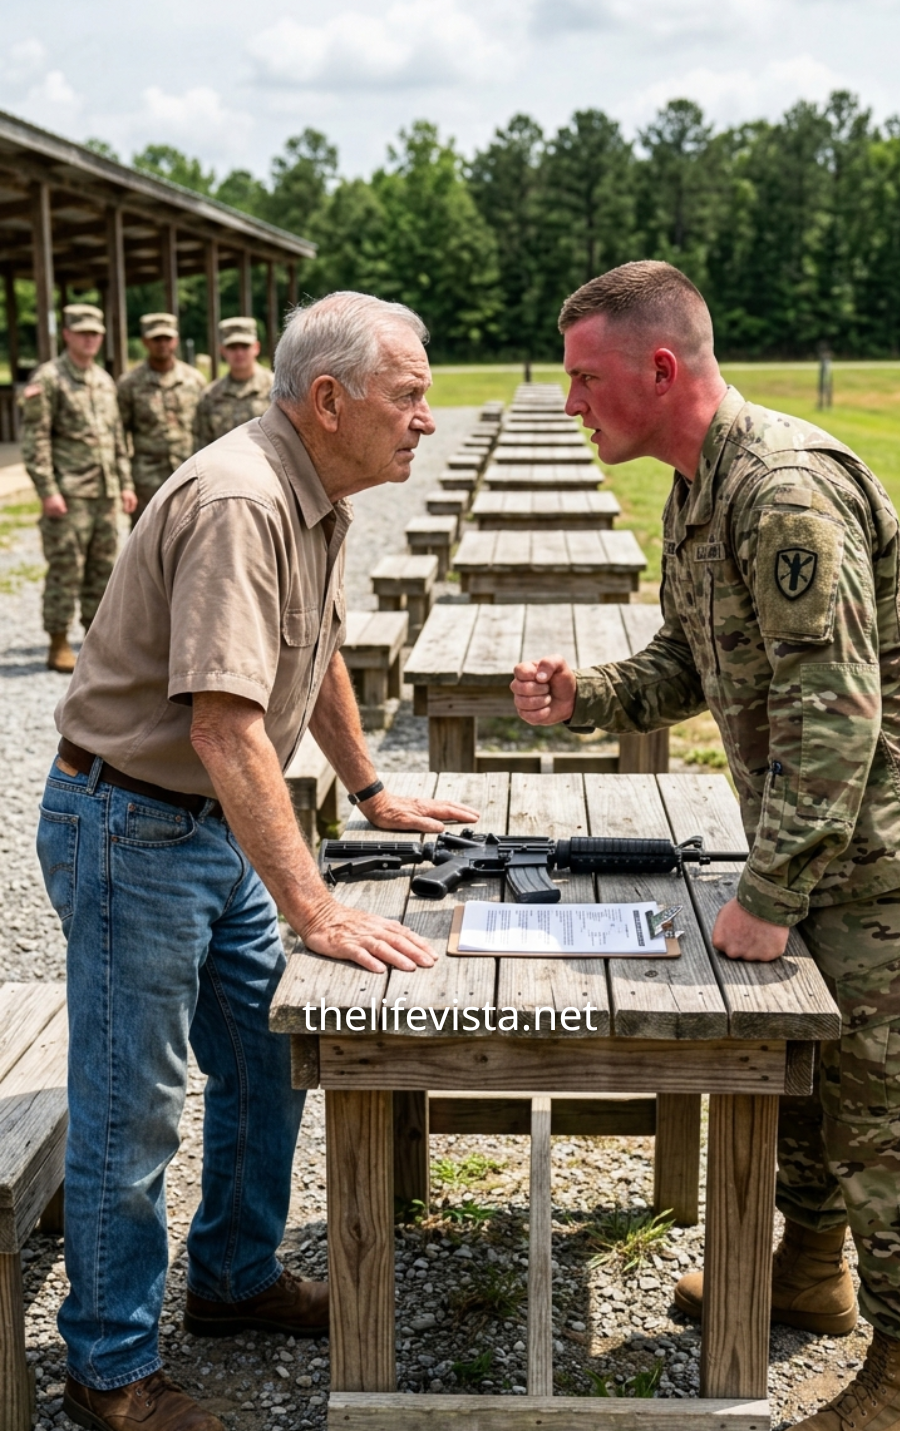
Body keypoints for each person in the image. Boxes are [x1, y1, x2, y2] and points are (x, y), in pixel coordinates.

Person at [39, 291, 478, 1431]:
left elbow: (315, 645)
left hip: (206, 825)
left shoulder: (311, 488)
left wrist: (372, 788)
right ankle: (110, 1370)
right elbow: (224, 725)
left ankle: (232, 1279)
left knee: (266, 1056)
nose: (424, 418)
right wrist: (314, 905)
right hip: (134, 824)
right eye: (410, 394)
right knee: (132, 1108)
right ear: (327, 400)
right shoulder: (242, 498)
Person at [511, 260, 900, 1431]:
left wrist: (769, 892)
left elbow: (839, 712)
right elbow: (691, 660)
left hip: (873, 857)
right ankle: (809, 1277)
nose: (572, 402)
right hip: (821, 845)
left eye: (585, 378)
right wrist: (583, 695)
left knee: (882, 1115)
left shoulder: (778, 490)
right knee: (805, 1088)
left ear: (661, 367)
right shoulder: (696, 487)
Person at [20, 301, 137, 673]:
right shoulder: (50, 379)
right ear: (67, 334)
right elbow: (35, 439)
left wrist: (124, 483)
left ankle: (93, 642)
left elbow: (116, 439)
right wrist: (47, 489)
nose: (89, 339)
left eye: (95, 333)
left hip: (102, 493)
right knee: (65, 569)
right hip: (68, 494)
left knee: (103, 571)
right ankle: (57, 643)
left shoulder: (103, 380)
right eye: (82, 332)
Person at [117, 312, 207, 523]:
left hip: (188, 475)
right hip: (147, 480)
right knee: (146, 543)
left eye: (167, 338)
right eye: (156, 339)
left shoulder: (193, 380)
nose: (162, 344)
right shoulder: (130, 383)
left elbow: (204, 431)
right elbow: (119, 435)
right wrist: (126, 483)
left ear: (176, 340)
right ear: (145, 341)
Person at [194, 315, 274, 448]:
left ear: (256, 348)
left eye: (244, 346)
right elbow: (202, 446)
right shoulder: (210, 396)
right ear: (222, 350)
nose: (239, 353)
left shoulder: (276, 389)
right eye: (232, 347)